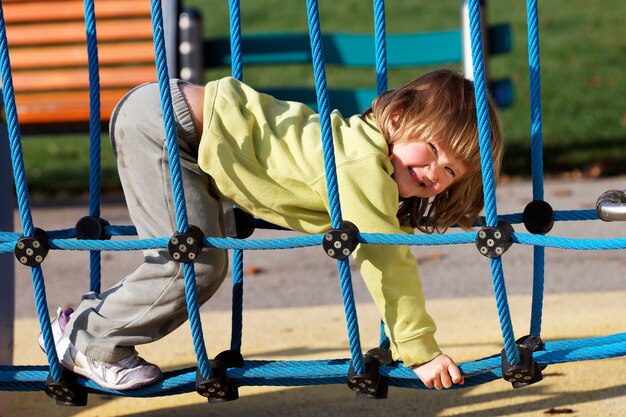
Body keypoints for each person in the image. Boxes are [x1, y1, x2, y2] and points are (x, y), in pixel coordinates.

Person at [41, 68, 503, 391]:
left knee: (198, 259)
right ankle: (89, 341)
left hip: (174, 123)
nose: (434, 174)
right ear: (398, 119)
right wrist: (420, 350)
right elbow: (386, 258)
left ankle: (82, 324)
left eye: (451, 172)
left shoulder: (358, 148)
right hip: (164, 127)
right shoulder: (362, 165)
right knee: (195, 266)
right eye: (431, 150)